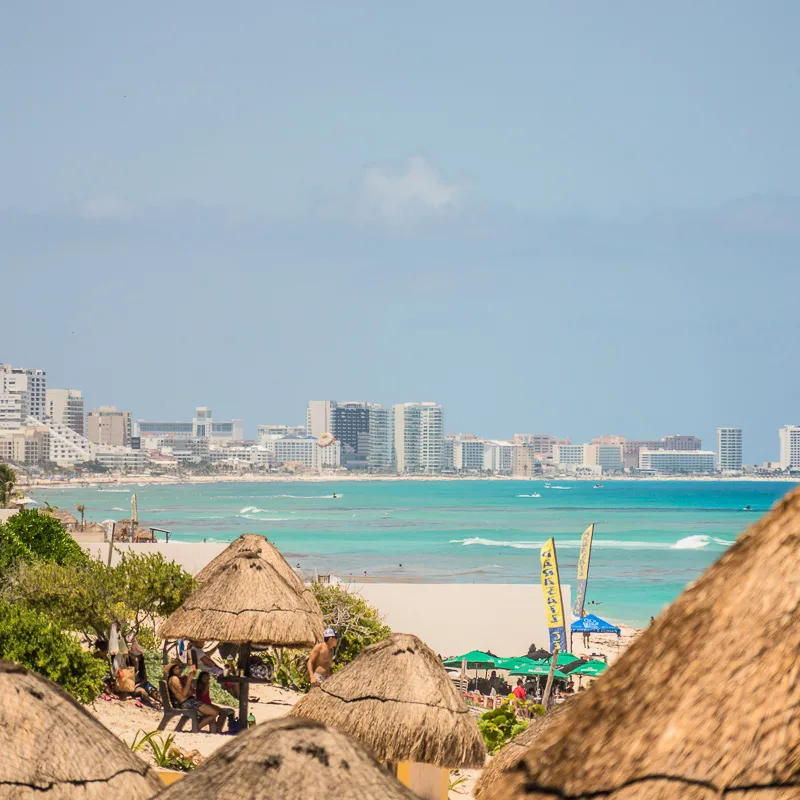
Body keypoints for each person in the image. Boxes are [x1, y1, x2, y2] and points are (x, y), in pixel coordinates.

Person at [165, 662, 226, 733]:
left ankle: (212, 732)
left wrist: (189, 687)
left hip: (189, 701)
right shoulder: (174, 678)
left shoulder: (175, 678)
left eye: (181, 668)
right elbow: (184, 694)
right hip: (187, 703)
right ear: (172, 669)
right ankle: (195, 729)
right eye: (178, 668)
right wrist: (189, 680)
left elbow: (186, 692)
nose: (180, 670)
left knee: (213, 713)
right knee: (214, 713)